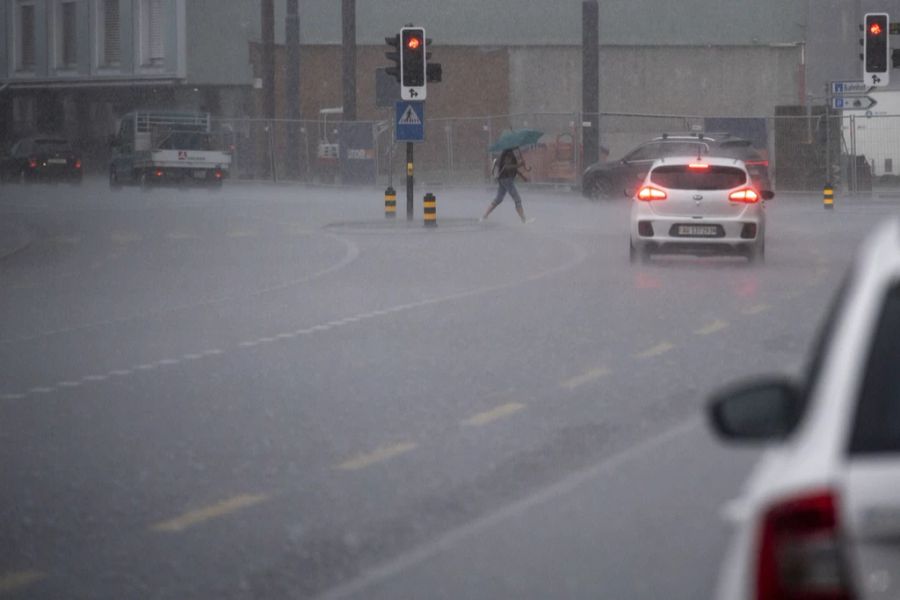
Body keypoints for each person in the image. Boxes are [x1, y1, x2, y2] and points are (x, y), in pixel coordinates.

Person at [481, 147, 532, 223]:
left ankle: (484, 216)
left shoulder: (508, 152)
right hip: (506, 179)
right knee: (517, 199)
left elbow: (512, 168)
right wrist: (519, 165)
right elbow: (507, 167)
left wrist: (522, 176)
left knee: (498, 199)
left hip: (503, 179)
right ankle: (524, 220)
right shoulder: (508, 153)